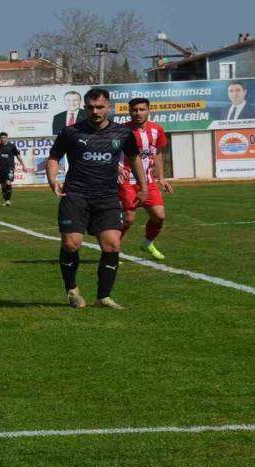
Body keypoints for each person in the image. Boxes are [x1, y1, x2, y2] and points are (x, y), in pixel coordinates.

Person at [46, 88, 148, 310]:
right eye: (91, 107)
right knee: (71, 244)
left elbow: (134, 158)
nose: (95, 111)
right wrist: (52, 180)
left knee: (112, 244)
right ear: (85, 108)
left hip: (107, 196)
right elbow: (54, 157)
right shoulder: (71, 132)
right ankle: (72, 290)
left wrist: (143, 186)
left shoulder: (122, 133)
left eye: (100, 107)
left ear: (108, 108)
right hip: (75, 195)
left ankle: (104, 297)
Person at [118, 98, 173, 260]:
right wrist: (118, 168)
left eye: (142, 109)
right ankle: (113, 250)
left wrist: (161, 178)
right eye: (134, 110)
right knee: (128, 218)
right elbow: (111, 153)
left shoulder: (157, 129)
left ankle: (147, 243)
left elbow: (157, 154)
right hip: (127, 182)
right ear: (129, 112)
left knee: (159, 216)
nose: (138, 113)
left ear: (149, 110)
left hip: (148, 181)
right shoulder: (121, 130)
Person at [0, 132, 29, 207]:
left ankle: (8, 200)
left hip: (10, 167)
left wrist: (23, 166)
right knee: (3, 185)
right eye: (1, 138)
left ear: (7, 138)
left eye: (4, 137)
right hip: (1, 168)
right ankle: (6, 200)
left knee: (8, 182)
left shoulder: (11, 146)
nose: (2, 139)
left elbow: (18, 156)